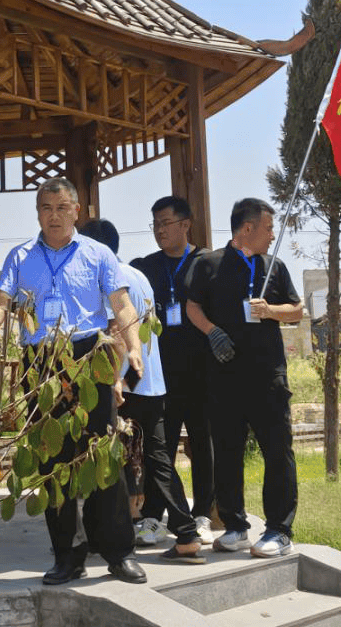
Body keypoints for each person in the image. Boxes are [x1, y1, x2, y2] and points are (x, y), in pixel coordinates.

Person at [0, 177, 147, 586]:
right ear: (37, 212)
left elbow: (120, 302)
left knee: (102, 453)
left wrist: (132, 345)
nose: (54, 215)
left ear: (77, 211)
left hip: (88, 355)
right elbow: (0, 303)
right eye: (46, 208)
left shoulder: (99, 253)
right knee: (52, 460)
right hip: (42, 363)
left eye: (62, 207)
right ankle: (67, 555)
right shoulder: (21, 256)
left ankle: (118, 553)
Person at [81, 219, 204, 565]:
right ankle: (186, 534)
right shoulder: (139, 276)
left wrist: (116, 381)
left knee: (107, 458)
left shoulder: (105, 279)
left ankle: (107, 535)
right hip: (151, 383)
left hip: (123, 383)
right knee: (158, 459)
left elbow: (116, 332)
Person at [185, 197, 303, 558]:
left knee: (277, 452)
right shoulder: (208, 265)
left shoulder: (275, 267)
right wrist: (211, 332)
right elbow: (192, 306)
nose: (272, 234)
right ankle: (235, 526)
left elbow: (297, 312)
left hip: (268, 377)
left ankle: (279, 529)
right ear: (247, 228)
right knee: (228, 452)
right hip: (224, 377)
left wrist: (270, 310)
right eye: (268, 228)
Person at [130, 195, 214, 546]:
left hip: (202, 373)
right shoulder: (144, 267)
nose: (159, 230)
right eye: (155, 224)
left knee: (202, 445)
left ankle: (203, 515)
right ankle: (152, 516)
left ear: (185, 224)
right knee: (158, 448)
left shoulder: (208, 263)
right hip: (159, 377)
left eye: (165, 223)